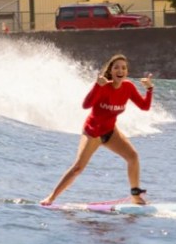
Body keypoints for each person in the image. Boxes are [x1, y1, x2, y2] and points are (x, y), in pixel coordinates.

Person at [40, 53, 154, 206]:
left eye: (124, 68)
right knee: (78, 168)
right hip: (93, 132)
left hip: (110, 131)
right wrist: (97, 86)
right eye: (116, 68)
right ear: (111, 71)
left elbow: (144, 106)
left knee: (132, 157)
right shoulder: (103, 87)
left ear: (126, 71)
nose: (120, 70)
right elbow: (86, 105)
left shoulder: (128, 87)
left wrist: (149, 89)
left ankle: (135, 195)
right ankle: (51, 197)